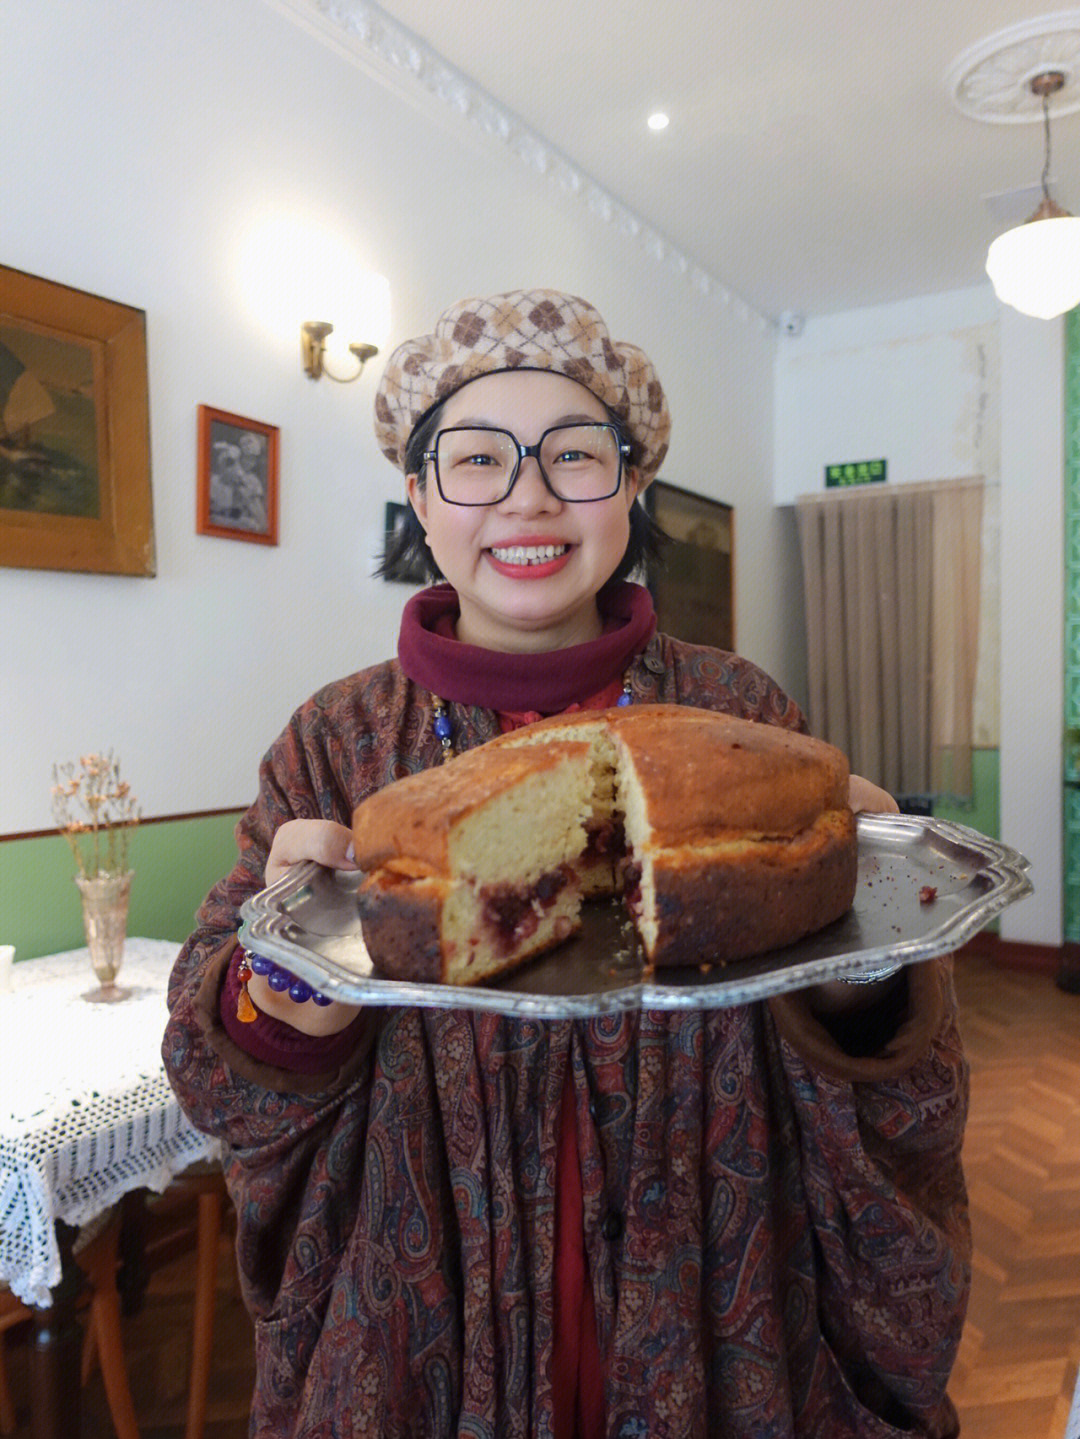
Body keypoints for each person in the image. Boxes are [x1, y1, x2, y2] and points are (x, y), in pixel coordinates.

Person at [163, 289, 970, 1439]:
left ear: (631, 491)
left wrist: (862, 955)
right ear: (421, 498)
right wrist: (289, 982)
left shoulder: (741, 712)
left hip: (713, 1280)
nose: (529, 496)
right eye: (478, 458)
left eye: (577, 457)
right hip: (418, 1315)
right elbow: (215, 1066)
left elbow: (871, 1035)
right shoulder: (334, 744)